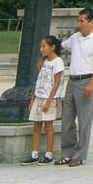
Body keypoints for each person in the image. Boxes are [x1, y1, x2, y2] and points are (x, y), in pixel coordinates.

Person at [56, 8, 93, 167]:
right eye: (78, 21)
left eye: (82, 21)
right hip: (72, 80)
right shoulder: (76, 38)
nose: (79, 25)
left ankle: (79, 154)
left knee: (84, 120)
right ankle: (67, 152)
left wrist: (92, 83)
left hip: (86, 80)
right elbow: (61, 47)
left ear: (91, 22)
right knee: (67, 119)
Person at [23, 36, 64, 164]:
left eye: (44, 46)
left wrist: (49, 100)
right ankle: (34, 153)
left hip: (49, 98)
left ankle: (48, 153)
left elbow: (56, 83)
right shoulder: (44, 61)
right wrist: (33, 99)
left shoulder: (58, 62)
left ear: (52, 47)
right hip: (39, 96)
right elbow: (39, 81)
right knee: (36, 125)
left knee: (48, 126)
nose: (41, 49)